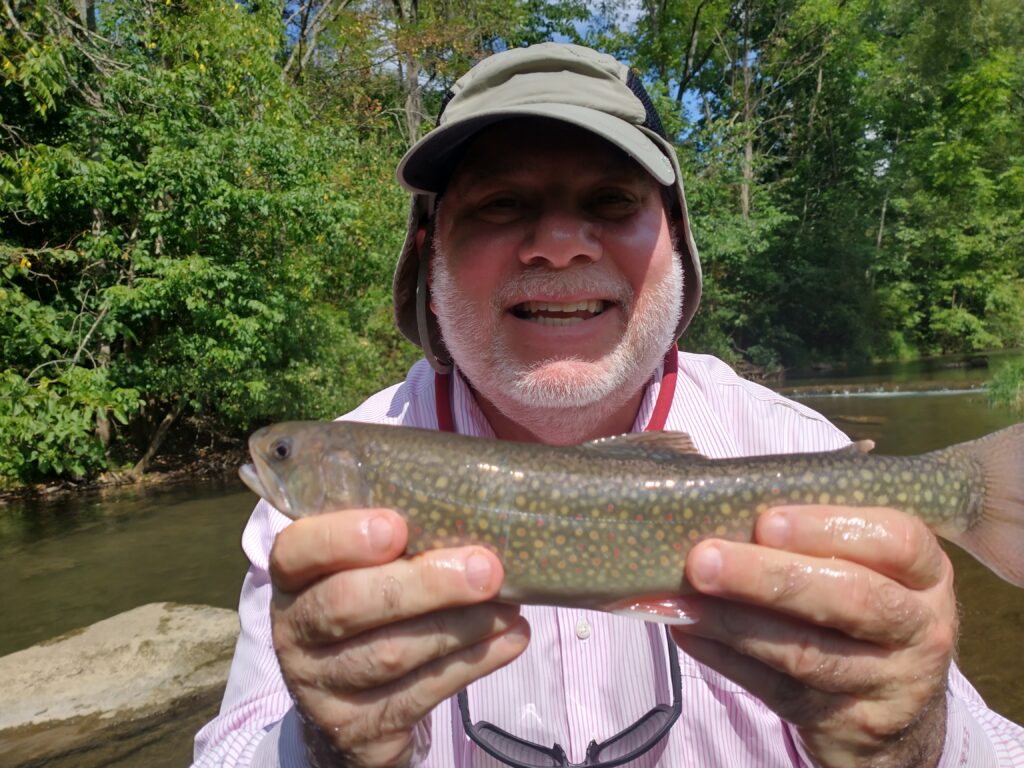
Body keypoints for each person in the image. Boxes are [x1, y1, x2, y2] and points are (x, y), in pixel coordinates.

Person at [194, 43, 1024, 767]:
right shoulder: (314, 517)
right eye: (501, 204)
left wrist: (915, 743)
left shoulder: (798, 446)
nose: (559, 244)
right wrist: (325, 750)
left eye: (611, 202)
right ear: (429, 254)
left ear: (677, 242)